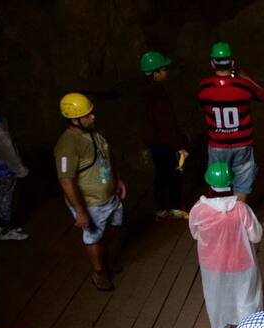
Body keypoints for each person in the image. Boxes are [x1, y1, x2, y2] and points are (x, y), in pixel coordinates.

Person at [189, 161, 263, 328]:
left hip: (212, 265)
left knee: (217, 298)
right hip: (241, 263)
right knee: (245, 298)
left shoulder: (198, 210)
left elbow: (195, 234)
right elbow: (256, 235)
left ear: (208, 183)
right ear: (231, 183)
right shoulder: (241, 209)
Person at [54, 92, 127, 291]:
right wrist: (80, 211)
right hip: (92, 202)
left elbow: (107, 155)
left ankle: (103, 255)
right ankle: (99, 272)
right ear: (74, 120)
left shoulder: (94, 132)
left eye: (91, 113)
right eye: (87, 115)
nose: (93, 117)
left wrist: (117, 179)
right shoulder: (67, 145)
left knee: (114, 225)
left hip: (109, 195)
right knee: (93, 236)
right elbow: (66, 180)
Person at [197, 41, 264, 202]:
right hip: (242, 145)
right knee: (242, 185)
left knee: (218, 183)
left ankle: (220, 214)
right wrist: (246, 77)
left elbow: (202, 102)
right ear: (232, 63)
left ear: (212, 63)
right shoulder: (244, 87)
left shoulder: (204, 87)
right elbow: (262, 95)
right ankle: (238, 215)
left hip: (217, 145)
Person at [139, 51, 190, 220]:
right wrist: (179, 145)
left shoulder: (145, 93)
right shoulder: (159, 94)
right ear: (155, 73)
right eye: (163, 69)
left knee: (161, 174)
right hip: (167, 143)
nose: (166, 71)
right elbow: (167, 123)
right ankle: (175, 207)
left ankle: (161, 209)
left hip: (155, 144)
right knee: (175, 173)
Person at [0, 87, 29, 240]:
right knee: (6, 199)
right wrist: (20, 169)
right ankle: (6, 230)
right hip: (3, 167)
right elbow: (5, 146)